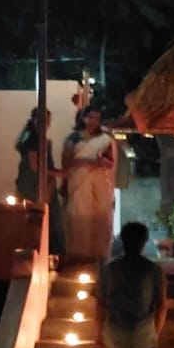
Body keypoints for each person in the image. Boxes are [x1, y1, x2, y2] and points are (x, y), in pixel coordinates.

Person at [62, 107, 117, 266]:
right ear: (83, 119)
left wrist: (102, 163)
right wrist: (88, 162)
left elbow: (110, 162)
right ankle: (79, 255)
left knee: (101, 214)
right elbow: (67, 162)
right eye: (90, 117)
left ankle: (99, 254)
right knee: (80, 214)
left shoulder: (105, 139)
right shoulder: (73, 138)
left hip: (99, 180)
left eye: (97, 118)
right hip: (80, 180)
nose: (93, 121)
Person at [15, 108, 65, 256]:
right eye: (43, 119)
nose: (47, 123)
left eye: (48, 120)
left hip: (39, 184)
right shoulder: (33, 139)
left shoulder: (36, 138)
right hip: (34, 186)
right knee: (40, 221)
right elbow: (35, 167)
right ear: (35, 120)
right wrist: (60, 173)